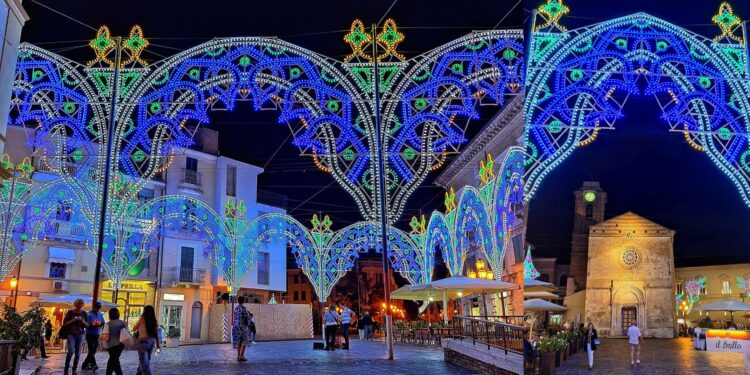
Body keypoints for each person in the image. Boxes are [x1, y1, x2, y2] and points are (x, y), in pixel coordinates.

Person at [62, 298, 90, 375]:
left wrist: (82, 320)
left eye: (81, 304)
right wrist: (73, 320)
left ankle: (74, 369)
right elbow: (65, 324)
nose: (80, 305)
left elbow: (88, 325)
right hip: (71, 334)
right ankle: (66, 368)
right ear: (75, 304)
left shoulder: (84, 313)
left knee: (78, 353)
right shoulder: (70, 313)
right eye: (78, 303)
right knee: (71, 351)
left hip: (80, 334)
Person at [133, 305, 160, 375]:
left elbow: (134, 328)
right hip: (152, 343)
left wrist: (139, 327)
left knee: (144, 364)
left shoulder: (142, 319)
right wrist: (158, 346)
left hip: (143, 342)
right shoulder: (154, 321)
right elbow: (156, 334)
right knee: (145, 361)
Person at [101, 307, 126, 375]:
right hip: (121, 344)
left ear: (110, 315)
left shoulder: (108, 324)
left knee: (113, 360)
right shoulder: (123, 323)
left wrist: (102, 338)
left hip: (112, 345)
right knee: (114, 360)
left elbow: (106, 338)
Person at [82, 302, 105, 371]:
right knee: (91, 349)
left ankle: (85, 364)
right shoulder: (88, 314)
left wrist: (100, 324)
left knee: (93, 351)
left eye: (99, 308)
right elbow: (86, 325)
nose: (97, 309)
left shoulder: (100, 314)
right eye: (96, 308)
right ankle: (94, 364)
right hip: (89, 334)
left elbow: (103, 323)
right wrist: (92, 325)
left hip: (96, 334)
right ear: (93, 307)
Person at [232, 296, 252, 362]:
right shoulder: (244, 309)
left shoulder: (236, 309)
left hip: (236, 327)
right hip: (243, 327)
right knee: (245, 341)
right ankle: (242, 356)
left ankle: (238, 356)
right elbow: (247, 318)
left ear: (238, 301)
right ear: (243, 301)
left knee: (238, 341)